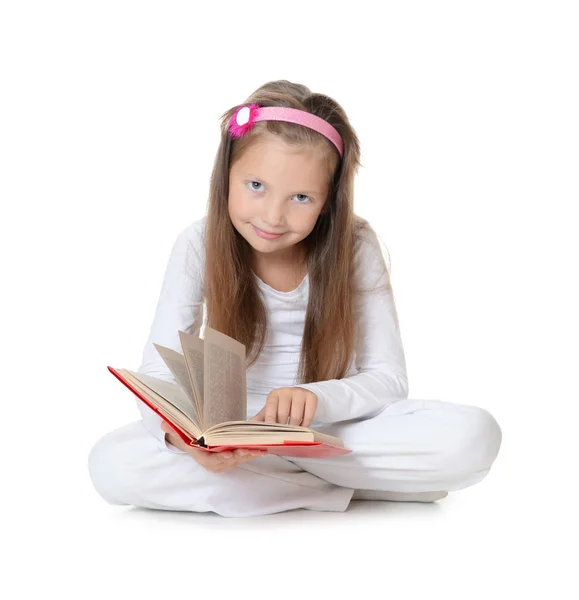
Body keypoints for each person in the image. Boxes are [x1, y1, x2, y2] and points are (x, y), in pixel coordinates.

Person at [88, 80, 502, 517]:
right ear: (225, 174)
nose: (272, 216)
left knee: (473, 435)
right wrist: (183, 441)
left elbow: (388, 380)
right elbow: (158, 369)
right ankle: (346, 489)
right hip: (237, 430)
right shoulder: (198, 242)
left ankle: (266, 487)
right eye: (255, 186)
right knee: (110, 464)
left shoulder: (355, 245)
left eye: (301, 197)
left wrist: (315, 398)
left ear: (328, 201)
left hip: (334, 427)